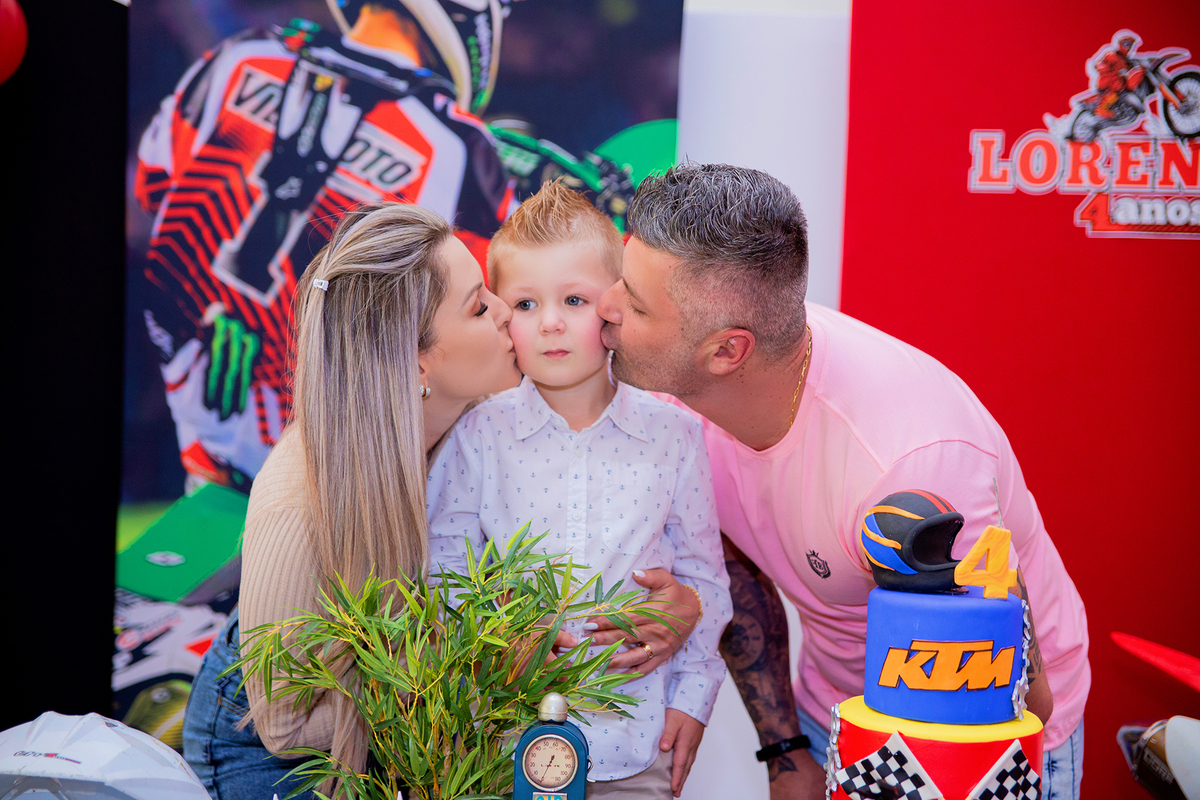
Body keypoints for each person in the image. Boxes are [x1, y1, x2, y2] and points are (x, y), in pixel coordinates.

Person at [595, 164, 1091, 800]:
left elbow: (1020, 698)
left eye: (633, 304)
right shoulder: (679, 391)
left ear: (726, 352)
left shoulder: (907, 464)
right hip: (831, 711)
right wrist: (786, 750)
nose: (605, 306)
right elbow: (736, 566)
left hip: (987, 745)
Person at [181, 201, 702, 800]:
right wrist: (466, 678)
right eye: (482, 306)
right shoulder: (297, 503)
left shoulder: (485, 417)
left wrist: (681, 610)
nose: (511, 313)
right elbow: (285, 725)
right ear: (419, 361)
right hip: (281, 737)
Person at [426, 180, 732, 799]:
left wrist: (694, 701)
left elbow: (705, 582)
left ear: (614, 306)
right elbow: (440, 570)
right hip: (501, 748)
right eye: (527, 304)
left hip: (636, 747)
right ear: (501, 315)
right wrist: (492, 633)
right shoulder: (478, 435)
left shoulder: (674, 433)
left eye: (573, 299)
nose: (553, 324)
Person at [133, 0, 511, 494]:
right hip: (335, 477)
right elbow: (493, 315)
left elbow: (152, 186)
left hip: (203, 431)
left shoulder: (240, 57)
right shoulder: (456, 145)